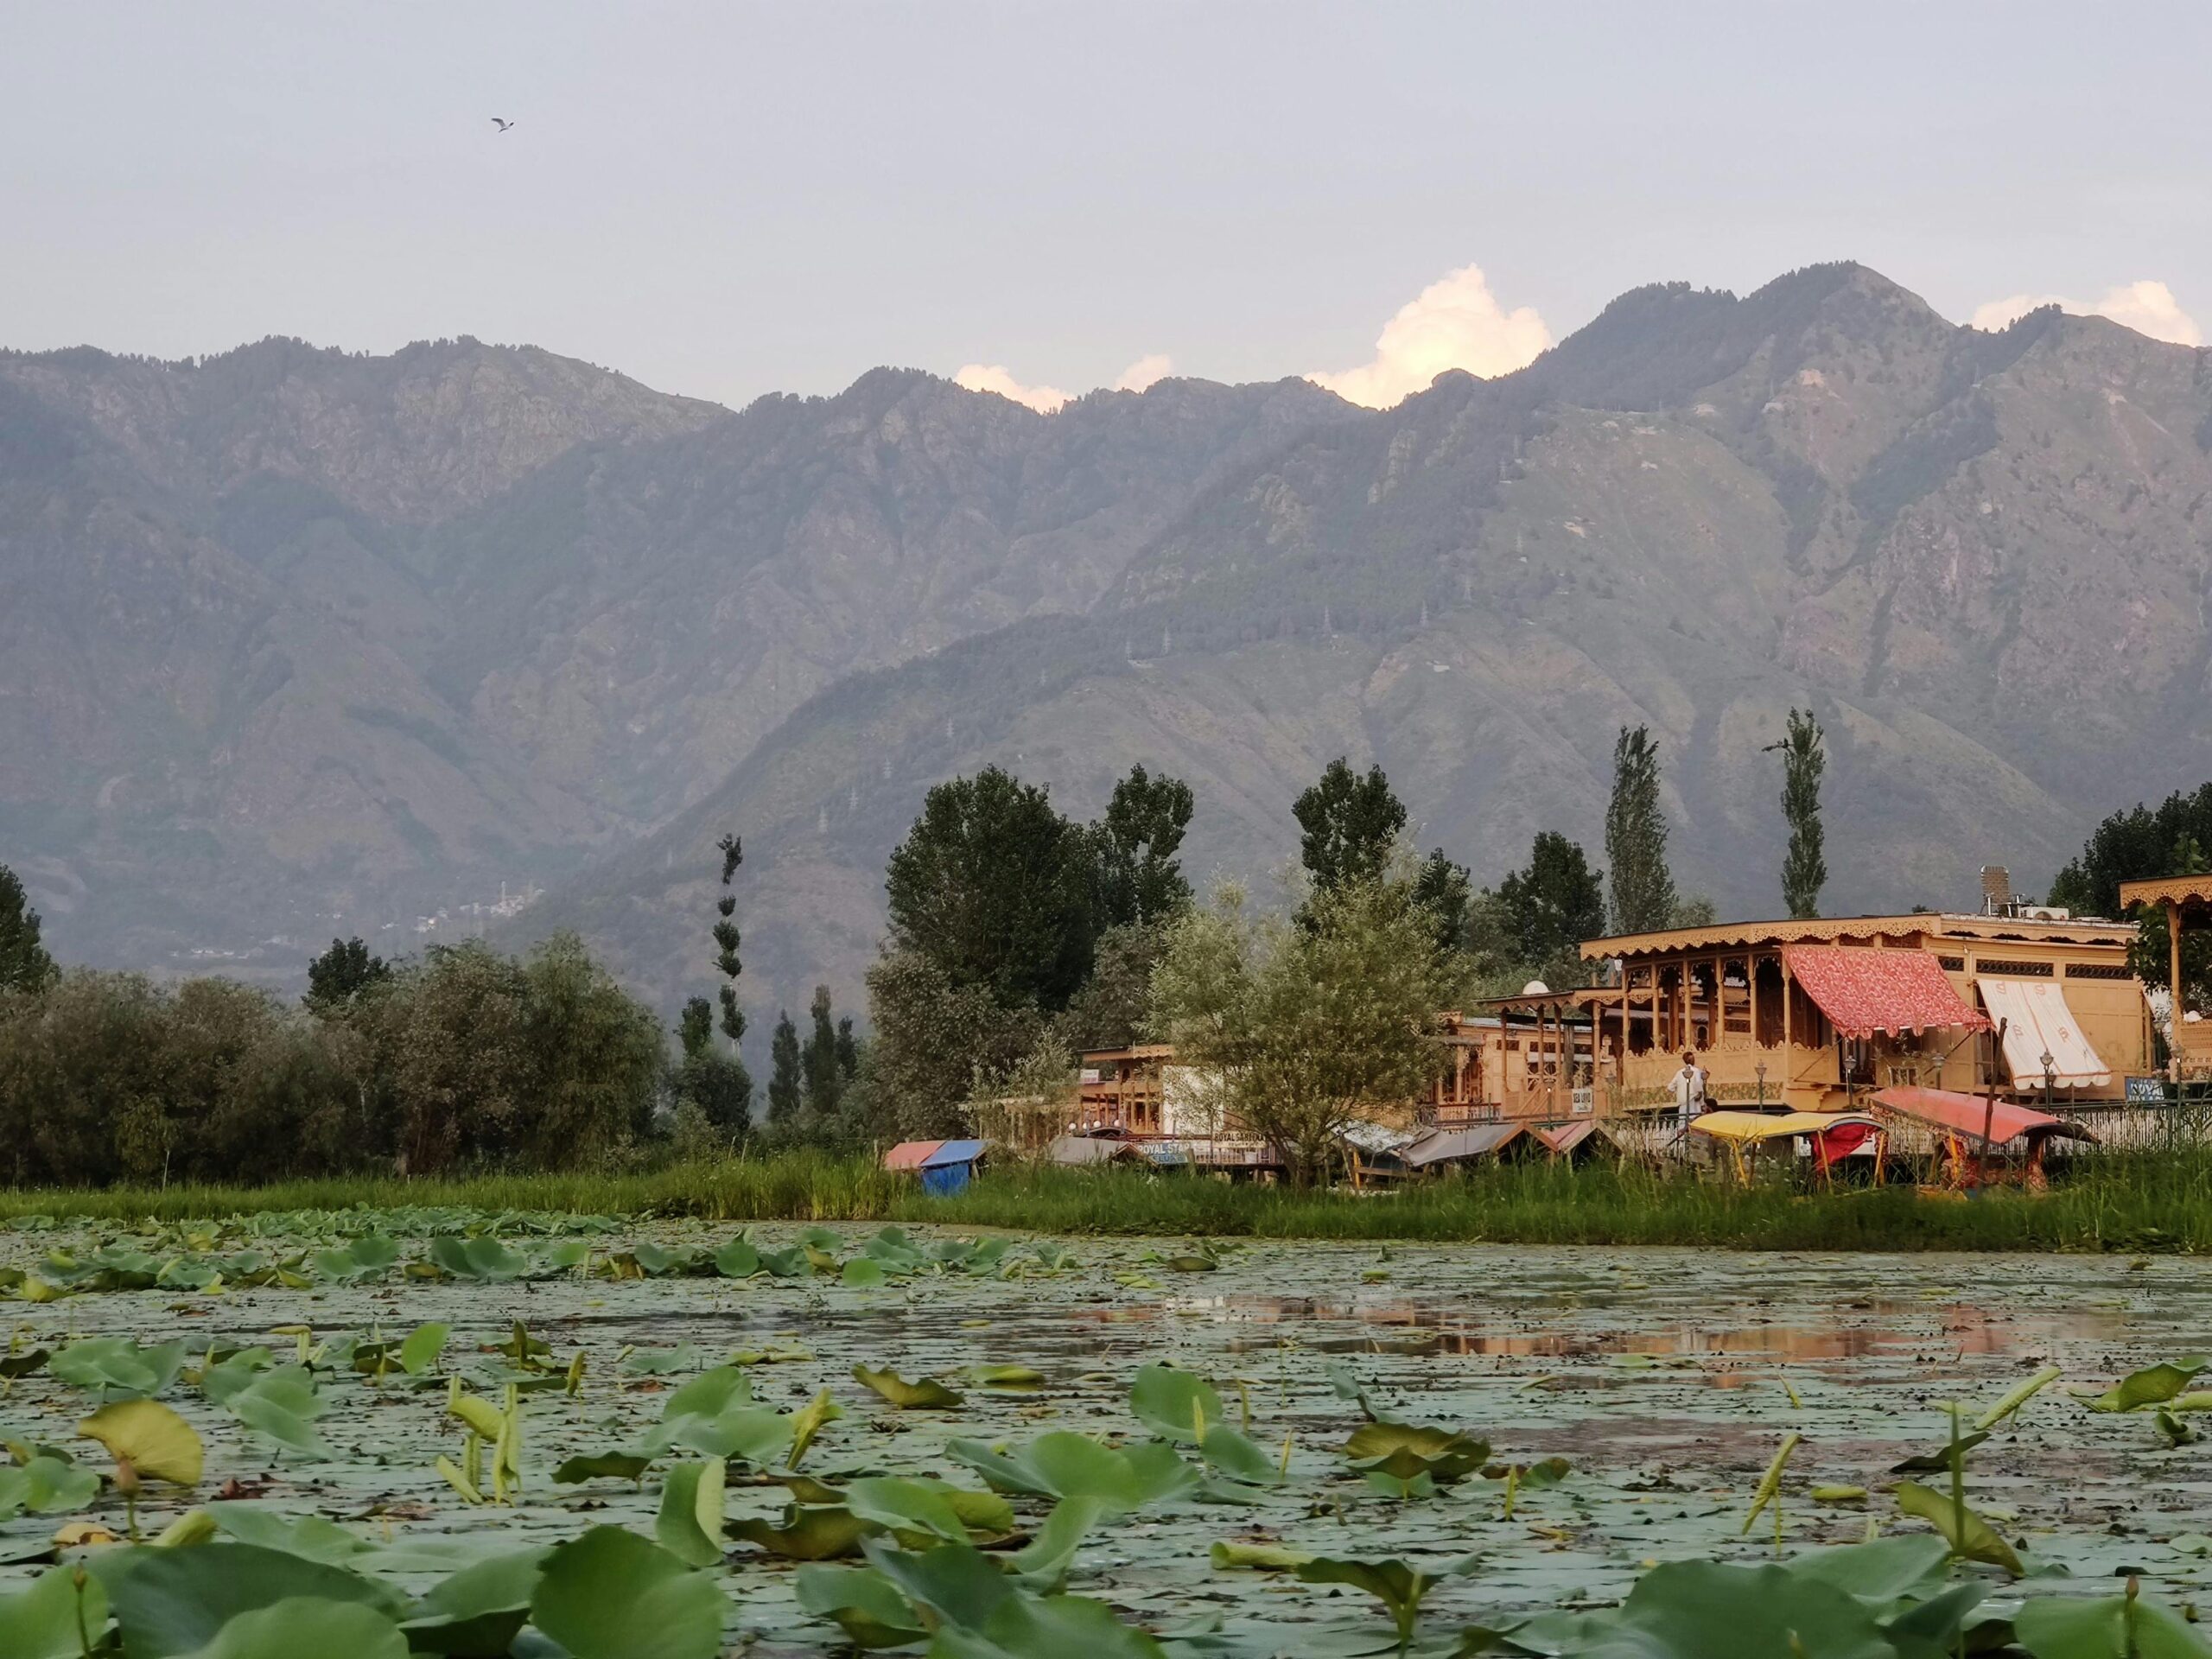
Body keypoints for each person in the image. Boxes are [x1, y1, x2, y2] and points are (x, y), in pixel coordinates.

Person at [1669, 1050, 1708, 1122]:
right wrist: (1702, 1104)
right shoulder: (1696, 1071)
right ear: (1692, 1060)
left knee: (1683, 1122)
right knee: (1695, 1122)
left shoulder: (1679, 1073)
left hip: (1683, 1102)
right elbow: (1699, 1088)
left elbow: (1670, 1087)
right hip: (1693, 1102)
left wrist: (1680, 1092)